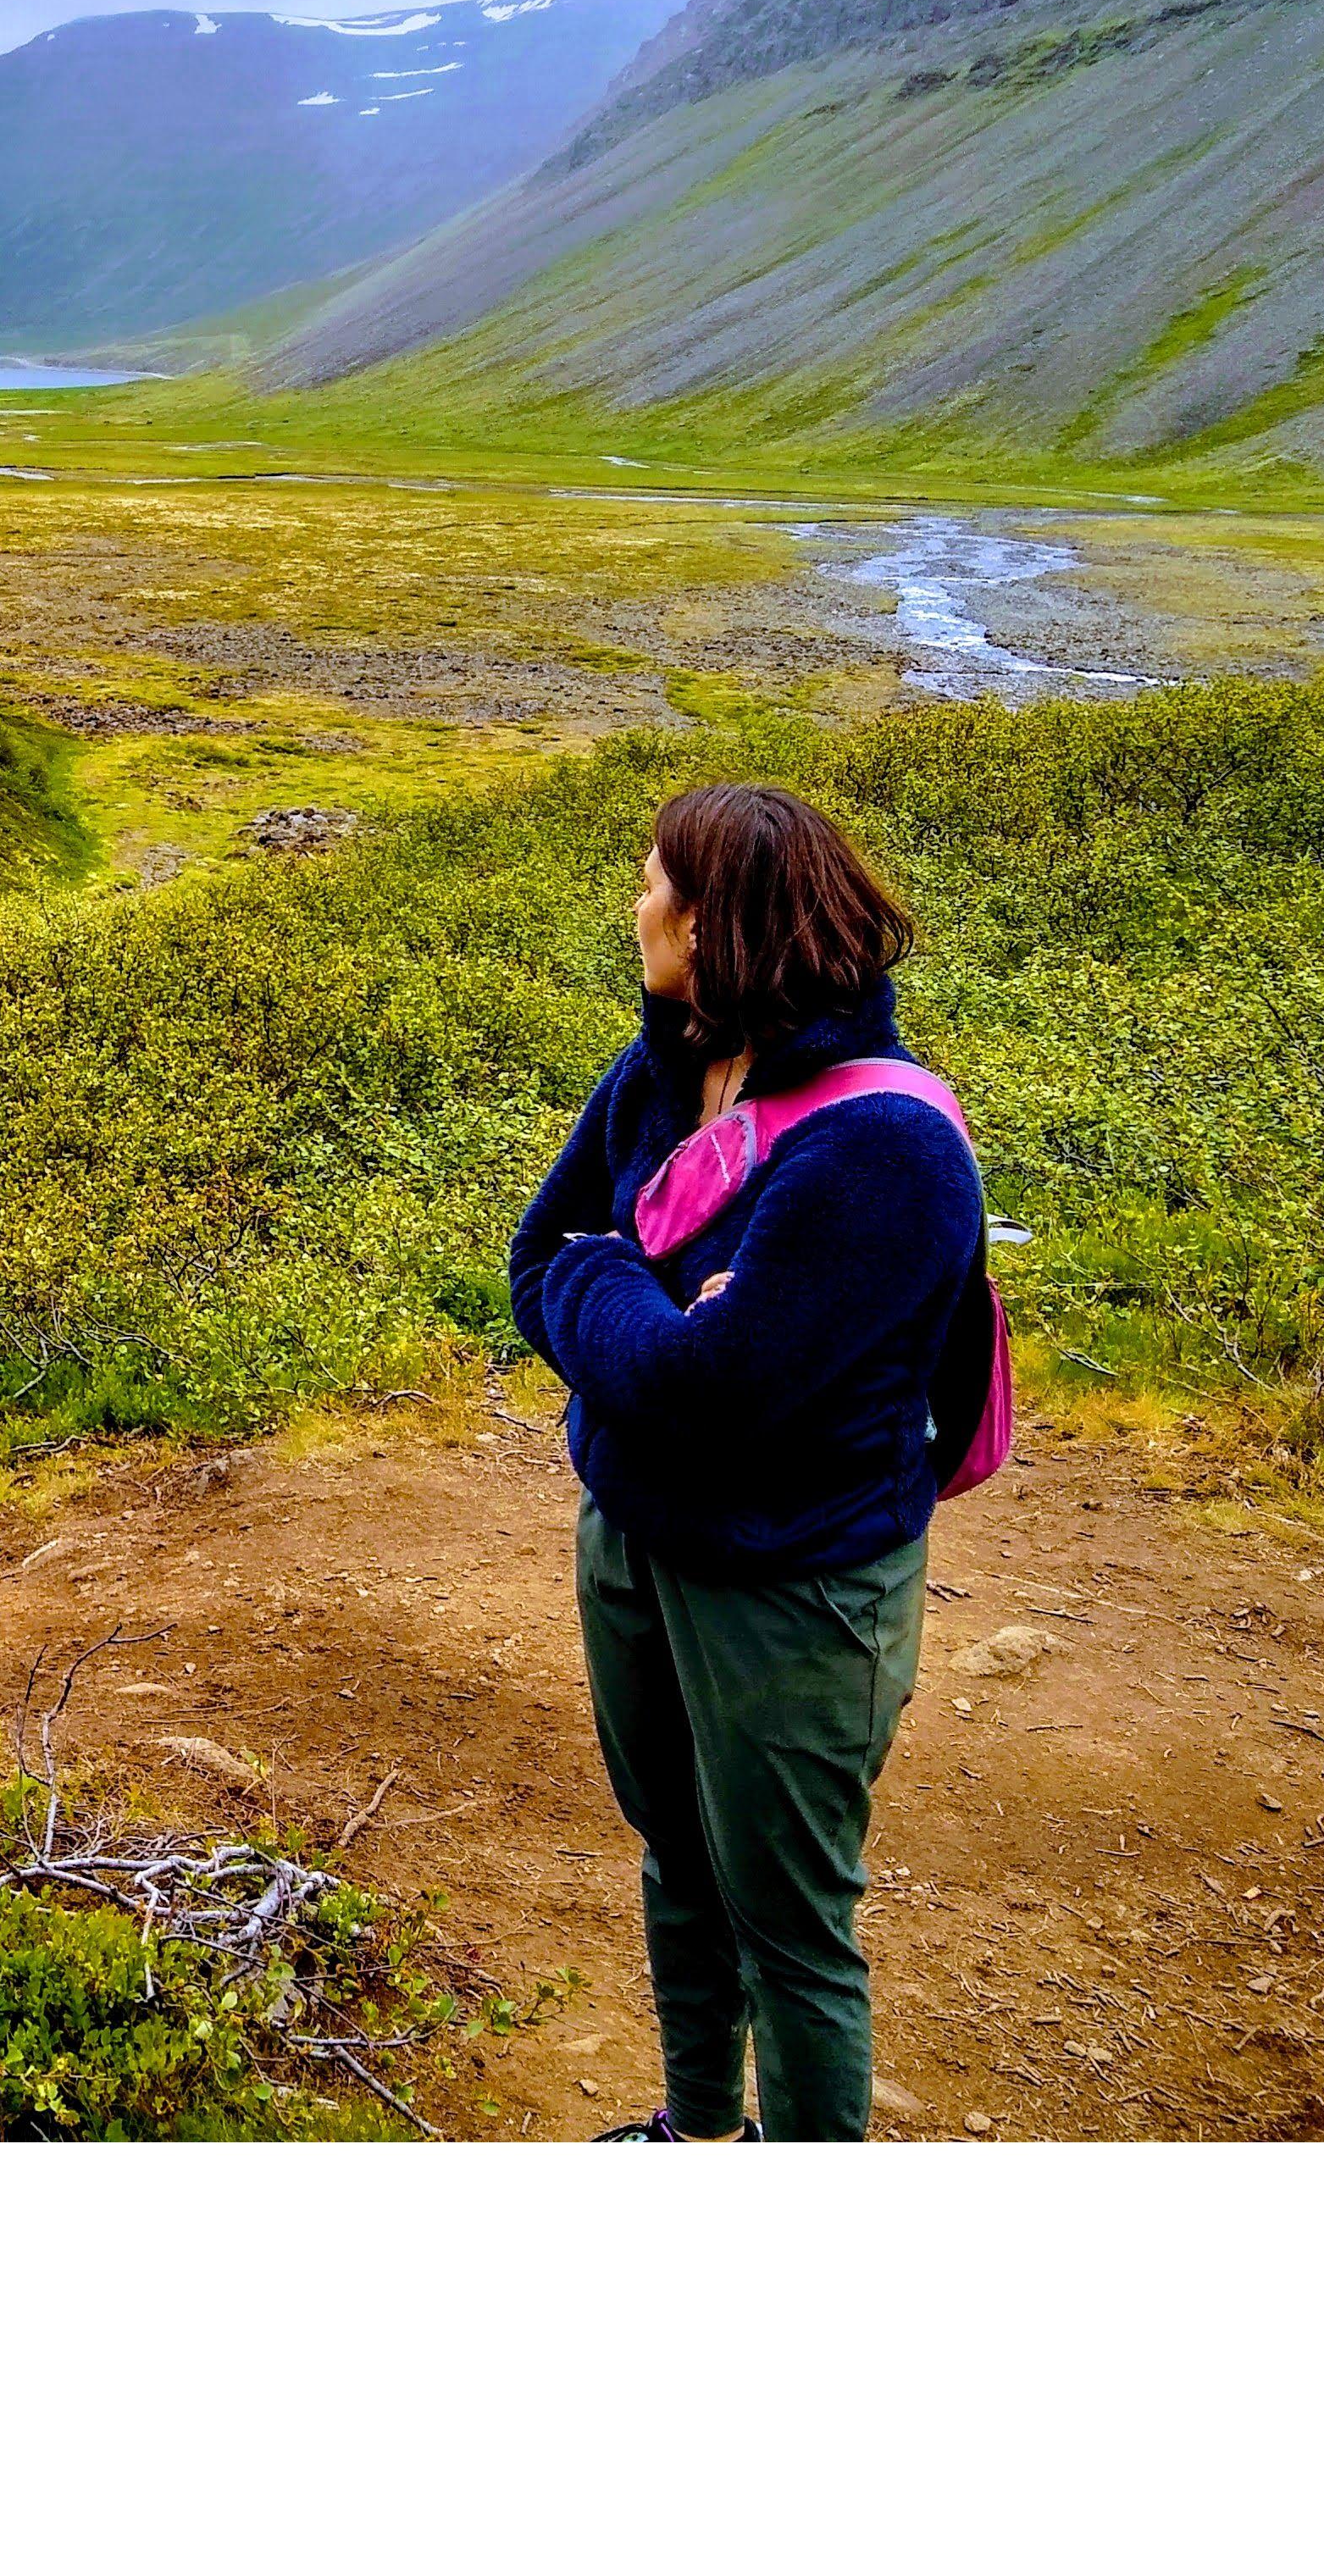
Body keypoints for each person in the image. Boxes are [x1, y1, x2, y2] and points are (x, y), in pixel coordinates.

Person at [508, 784, 986, 2143]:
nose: (636, 901)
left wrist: (618, 1297)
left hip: (795, 1585)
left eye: (654, 879)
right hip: (639, 1538)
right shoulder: (663, 1065)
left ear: (716, 922)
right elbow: (538, 1261)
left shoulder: (881, 1149)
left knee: (790, 1927)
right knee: (677, 1861)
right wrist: (635, 1304)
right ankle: (697, 2131)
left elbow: (707, 1393)